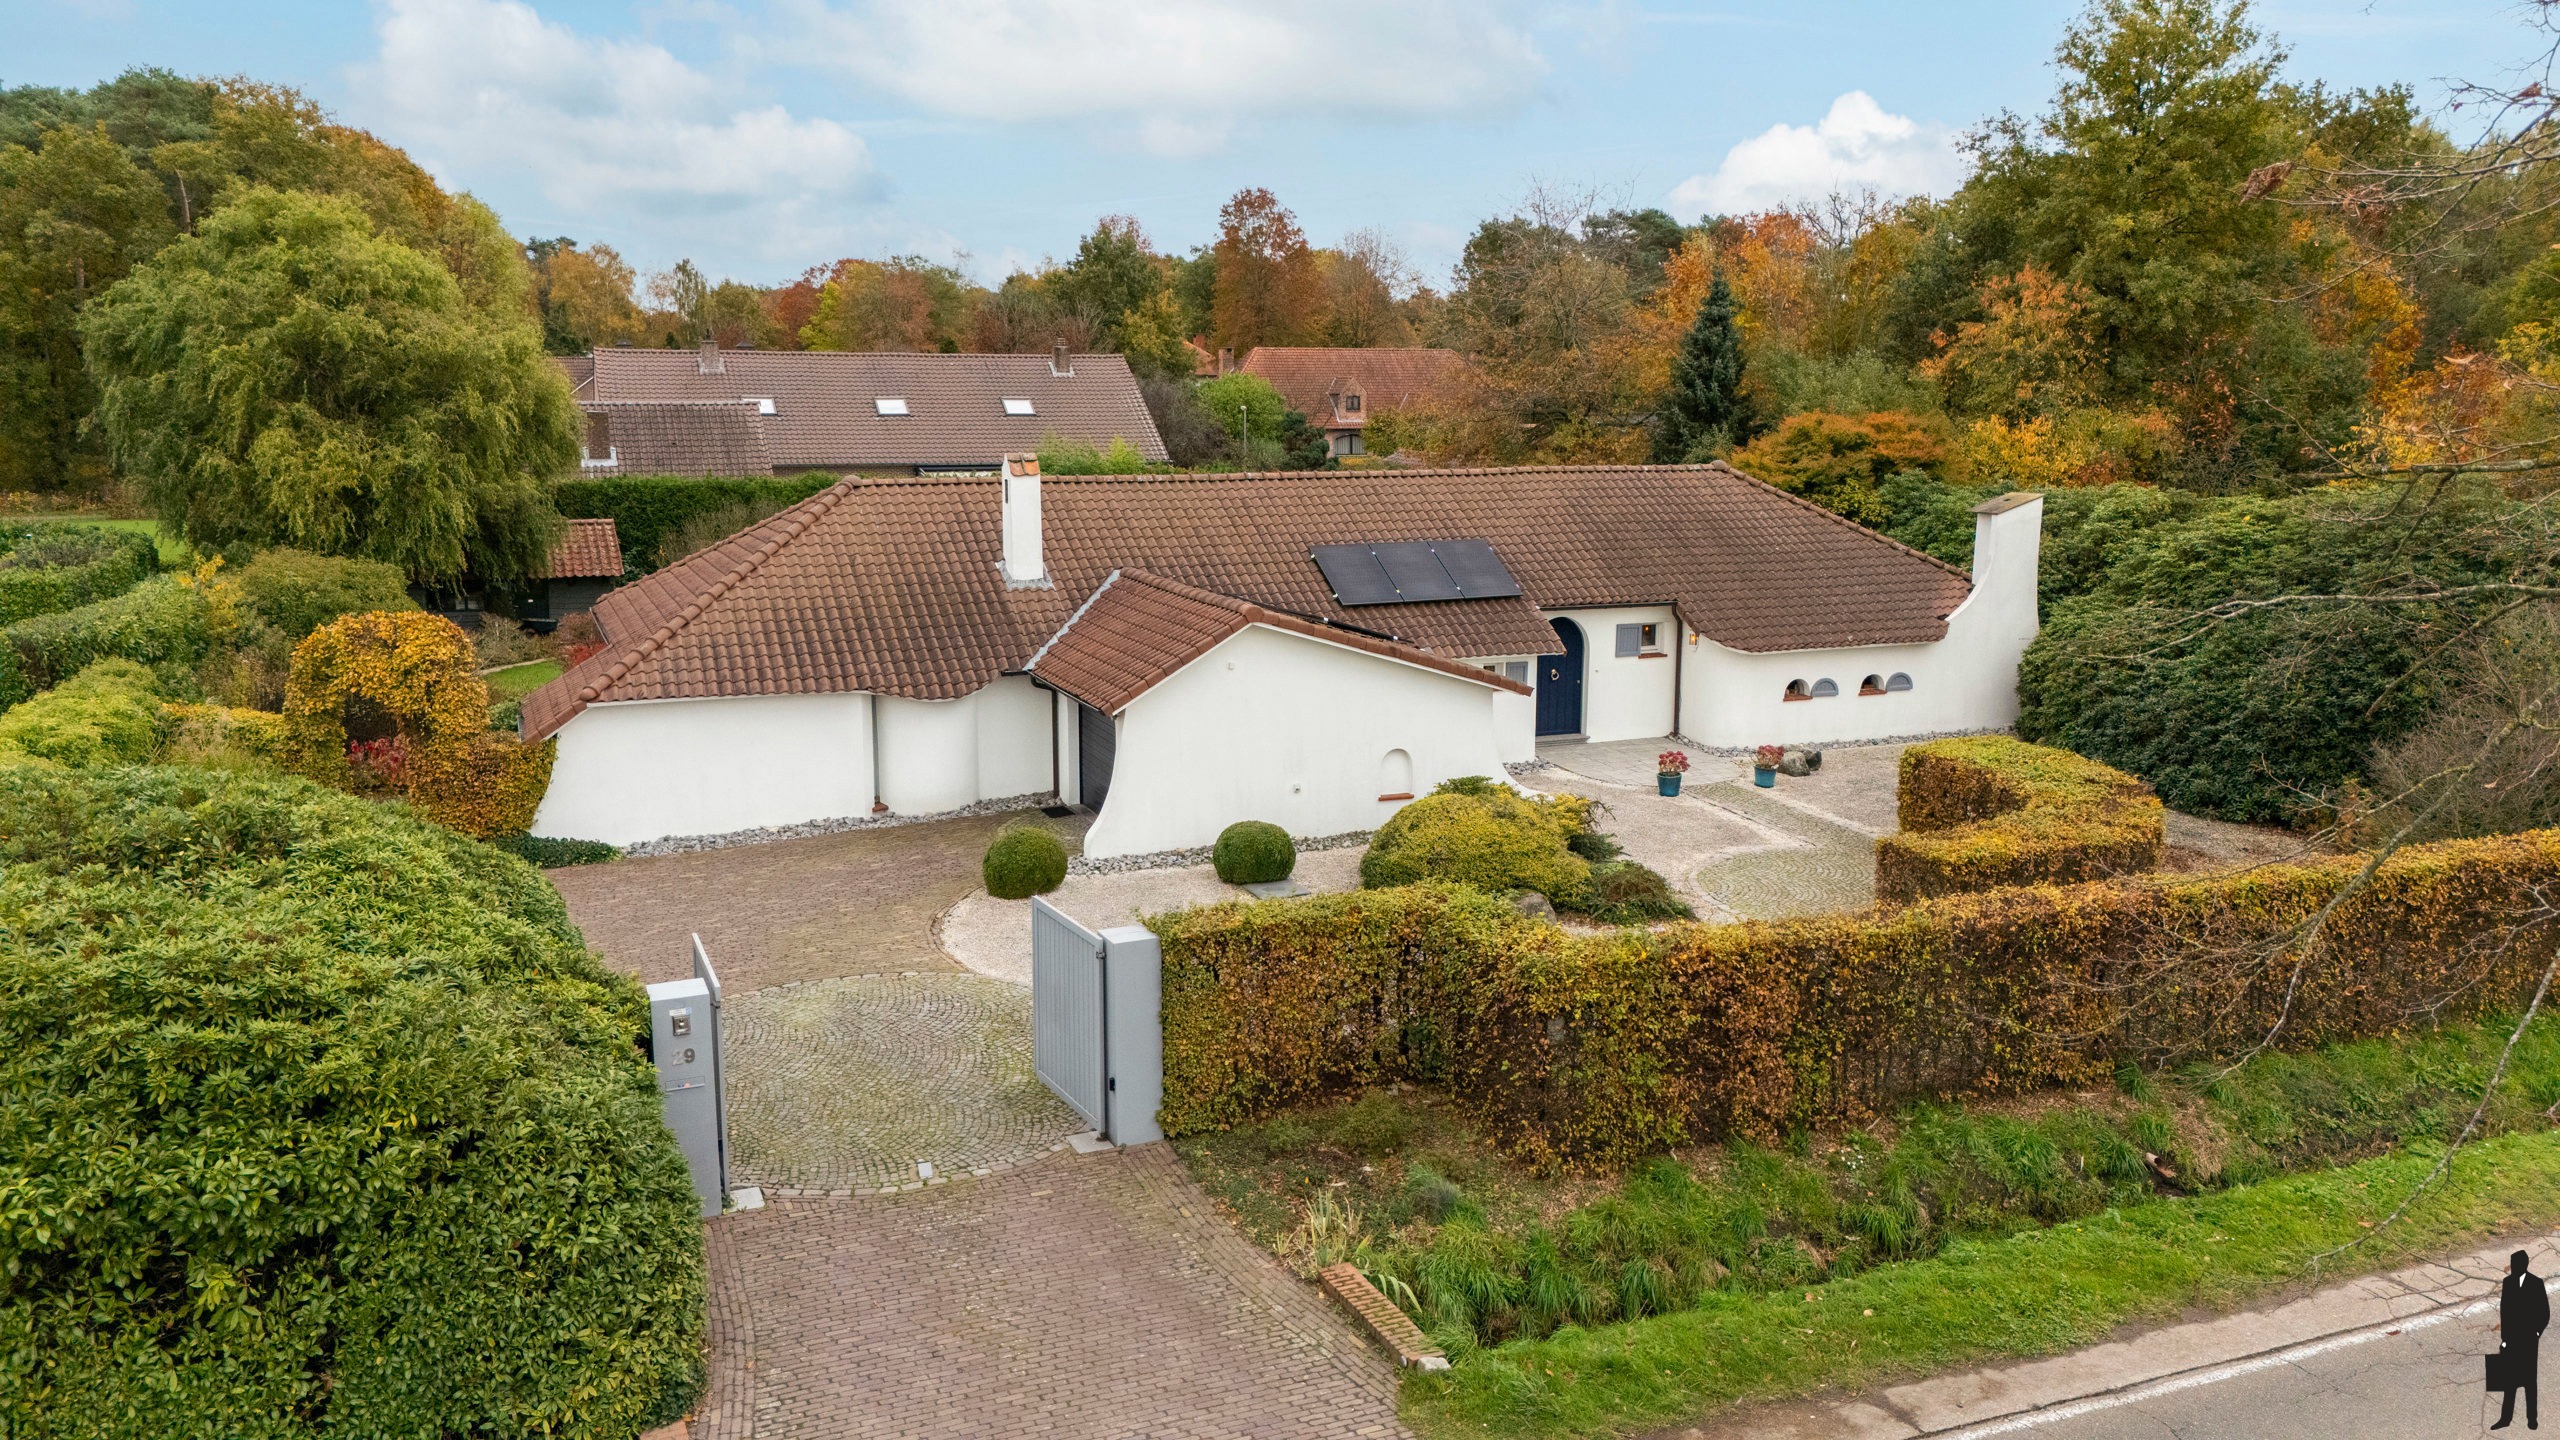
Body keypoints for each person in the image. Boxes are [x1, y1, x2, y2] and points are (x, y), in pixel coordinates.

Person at [2500, 1249, 2550, 1430]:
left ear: (2524, 1264)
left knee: (2530, 1381)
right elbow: (2504, 1312)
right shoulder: (2508, 1282)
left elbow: (2544, 1312)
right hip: (2512, 1340)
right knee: (2509, 1381)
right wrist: (2504, 1338)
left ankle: (2532, 1418)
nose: (2513, 1267)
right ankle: (2505, 1418)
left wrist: (2536, 1333)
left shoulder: (2536, 1283)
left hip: (2529, 1340)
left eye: (2516, 1264)